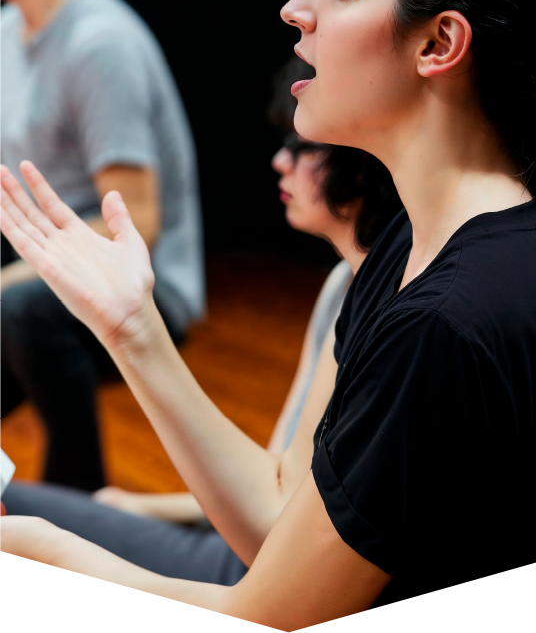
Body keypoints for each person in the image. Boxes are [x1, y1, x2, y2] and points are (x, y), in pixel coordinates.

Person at [1, 0, 536, 627]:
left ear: (438, 44)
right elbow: (283, 520)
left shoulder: (452, 319)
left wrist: (38, 544)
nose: (296, 7)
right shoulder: (412, 245)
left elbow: (269, 614)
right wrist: (130, 326)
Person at [1, 93, 400, 580]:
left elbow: (277, 553)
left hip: (247, 569)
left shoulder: (396, 310)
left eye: (302, 146)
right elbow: (281, 483)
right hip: (244, 544)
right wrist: (152, 507)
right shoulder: (347, 283)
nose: (279, 161)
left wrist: (53, 547)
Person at [0, 0, 205, 492]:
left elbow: (135, 224)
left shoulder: (99, 42)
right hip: (38, 263)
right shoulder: (8, 30)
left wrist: (11, 275)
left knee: (22, 308)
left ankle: (78, 498)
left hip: (143, 284)